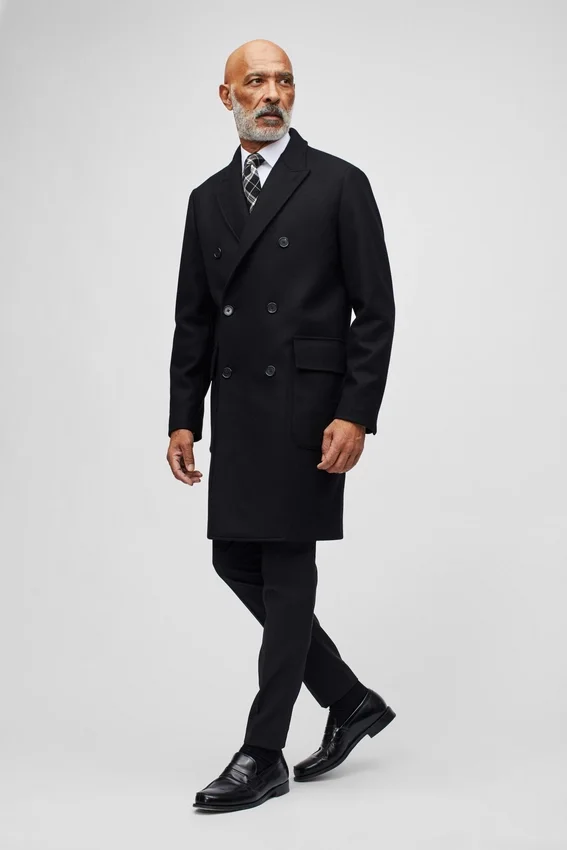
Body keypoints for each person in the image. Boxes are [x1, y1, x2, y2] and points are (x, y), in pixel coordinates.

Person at [166, 38, 396, 813]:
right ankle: (348, 699)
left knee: (287, 565)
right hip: (238, 411)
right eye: (256, 81)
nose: (272, 94)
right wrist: (183, 417)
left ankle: (261, 752)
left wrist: (354, 411)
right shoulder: (206, 199)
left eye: (284, 81)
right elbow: (194, 318)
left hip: (308, 411)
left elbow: (375, 310)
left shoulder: (337, 183)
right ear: (226, 95)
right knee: (233, 557)